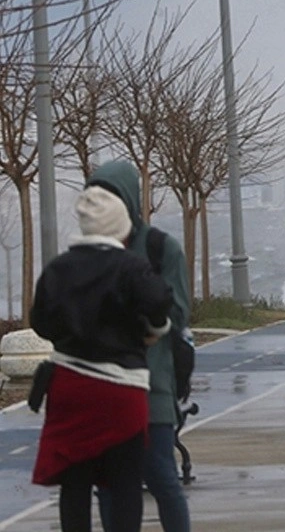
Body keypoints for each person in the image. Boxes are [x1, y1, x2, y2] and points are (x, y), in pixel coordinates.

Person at [30, 186, 173, 532]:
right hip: (121, 390)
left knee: (74, 484)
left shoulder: (58, 269)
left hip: (69, 386)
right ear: (120, 226)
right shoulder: (131, 267)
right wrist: (154, 329)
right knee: (125, 484)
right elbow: (158, 301)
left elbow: (41, 321)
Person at [90, 160, 192, 532]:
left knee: (162, 478)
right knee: (108, 488)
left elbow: (179, 314)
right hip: (102, 388)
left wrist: (137, 315)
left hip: (152, 386)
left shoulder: (160, 248)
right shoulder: (90, 256)